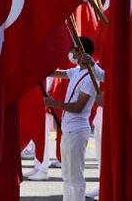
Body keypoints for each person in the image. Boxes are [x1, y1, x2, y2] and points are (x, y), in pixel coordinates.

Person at [43, 37, 104, 201]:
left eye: (73, 49)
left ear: (81, 52)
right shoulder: (76, 71)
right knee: (67, 174)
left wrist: (54, 103)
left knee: (76, 177)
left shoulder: (91, 78)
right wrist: (39, 65)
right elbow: (57, 73)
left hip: (78, 130)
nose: (70, 52)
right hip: (68, 130)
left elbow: (78, 107)